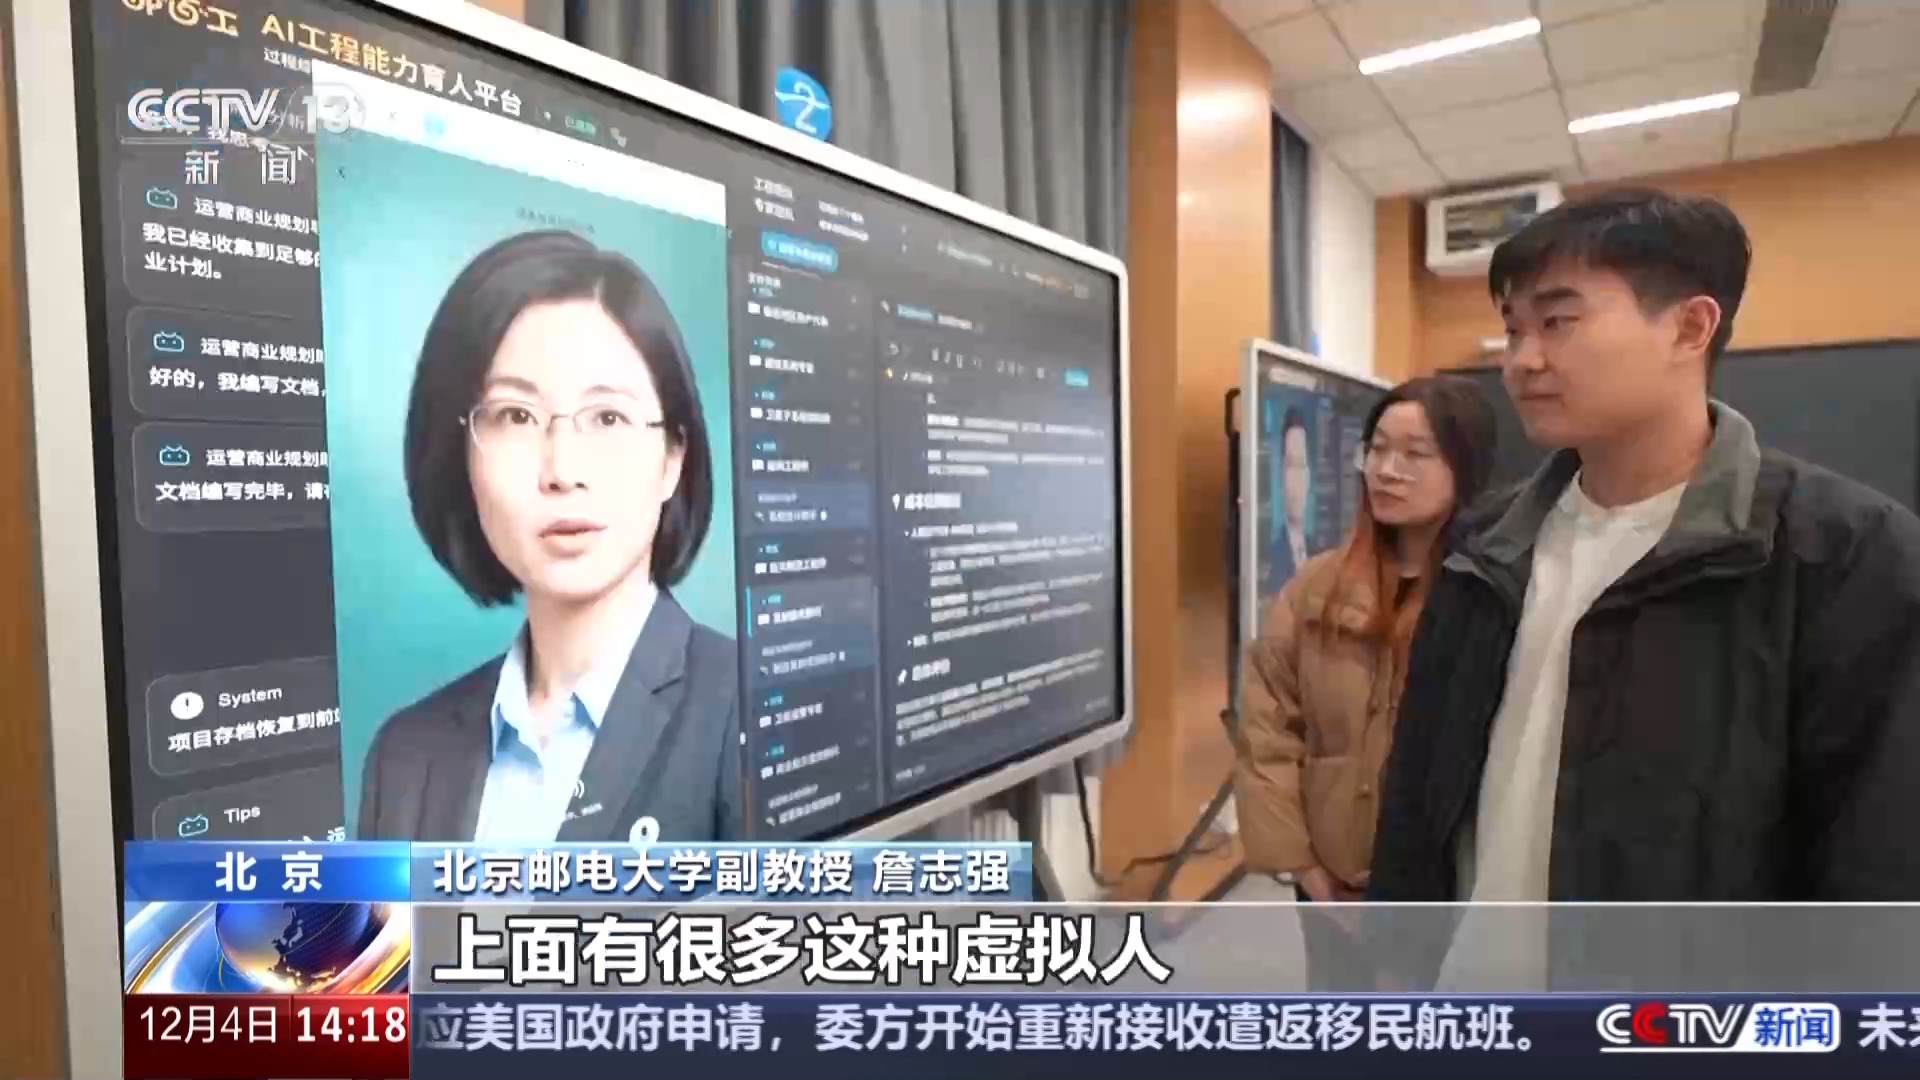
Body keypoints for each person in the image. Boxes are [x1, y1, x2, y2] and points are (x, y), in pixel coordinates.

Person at [1368, 189, 1920, 984]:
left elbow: (1874, 867)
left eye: (1558, 322)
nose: (1522, 360)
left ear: (1690, 328)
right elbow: (1420, 785)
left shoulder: (1842, 556)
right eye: (1514, 328)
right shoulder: (1487, 546)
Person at [357, 230, 741, 844]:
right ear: (463, 457)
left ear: (674, 456)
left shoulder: (750, 712)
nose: (563, 471)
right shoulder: (405, 757)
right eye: (516, 416)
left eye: (607, 417)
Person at [1235, 376, 1497, 988]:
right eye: (1377, 449)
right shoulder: (1316, 590)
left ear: (1465, 466)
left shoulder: (1490, 595)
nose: (1387, 470)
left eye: (1414, 453)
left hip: (1445, 894)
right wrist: (1308, 873)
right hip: (1330, 883)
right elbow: (1267, 732)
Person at [1268, 407, 1312, 585]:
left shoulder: (1323, 553)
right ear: (1281, 473)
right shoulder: (1269, 556)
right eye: (1290, 465)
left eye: (1301, 465)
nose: (1296, 479)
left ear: (1309, 474)